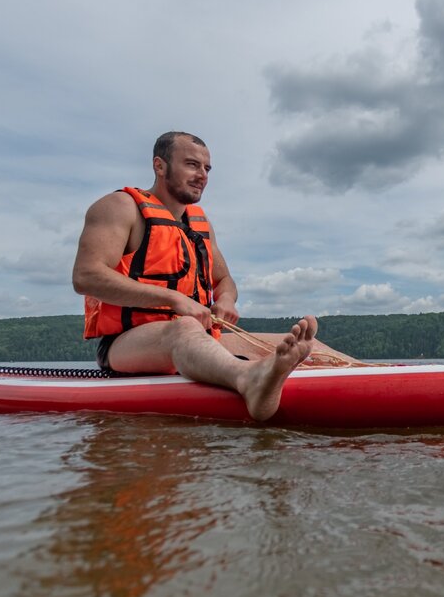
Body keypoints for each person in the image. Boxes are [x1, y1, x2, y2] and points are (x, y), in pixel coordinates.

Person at [72, 131, 317, 421]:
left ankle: (368, 375)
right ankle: (248, 380)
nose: (202, 175)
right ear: (159, 166)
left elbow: (224, 281)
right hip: (127, 344)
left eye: (207, 168)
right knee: (184, 327)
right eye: (191, 164)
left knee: (291, 345)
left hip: (195, 339)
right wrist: (173, 299)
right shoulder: (120, 207)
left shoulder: (200, 224)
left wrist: (226, 300)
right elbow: (86, 276)